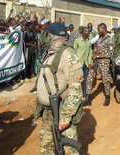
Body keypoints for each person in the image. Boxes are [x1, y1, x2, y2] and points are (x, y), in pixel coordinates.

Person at [36, 22, 83, 155]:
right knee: (47, 149)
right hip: (48, 113)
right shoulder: (49, 53)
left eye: (47, 35)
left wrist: (65, 117)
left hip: (61, 112)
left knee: (69, 151)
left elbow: (76, 89)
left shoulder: (67, 54)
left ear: (51, 36)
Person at [84, 23, 114, 106]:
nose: (98, 31)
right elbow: (97, 48)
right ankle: (88, 99)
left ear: (103, 29)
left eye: (99, 30)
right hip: (95, 62)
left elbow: (110, 53)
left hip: (104, 63)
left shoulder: (110, 40)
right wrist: (94, 55)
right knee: (89, 79)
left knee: (105, 80)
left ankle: (107, 97)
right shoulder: (99, 38)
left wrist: (97, 56)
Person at [29, 19, 50, 93]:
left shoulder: (51, 32)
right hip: (43, 53)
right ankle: (36, 86)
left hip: (50, 53)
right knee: (39, 69)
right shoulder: (43, 32)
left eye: (43, 25)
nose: (42, 26)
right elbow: (41, 43)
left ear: (47, 24)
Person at [74, 27, 93, 97]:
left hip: (86, 63)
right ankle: (76, 93)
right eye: (88, 32)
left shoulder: (89, 41)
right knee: (77, 79)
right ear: (84, 32)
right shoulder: (77, 40)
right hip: (79, 63)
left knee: (86, 79)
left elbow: (90, 52)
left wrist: (90, 62)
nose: (89, 33)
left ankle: (84, 92)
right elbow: (74, 51)